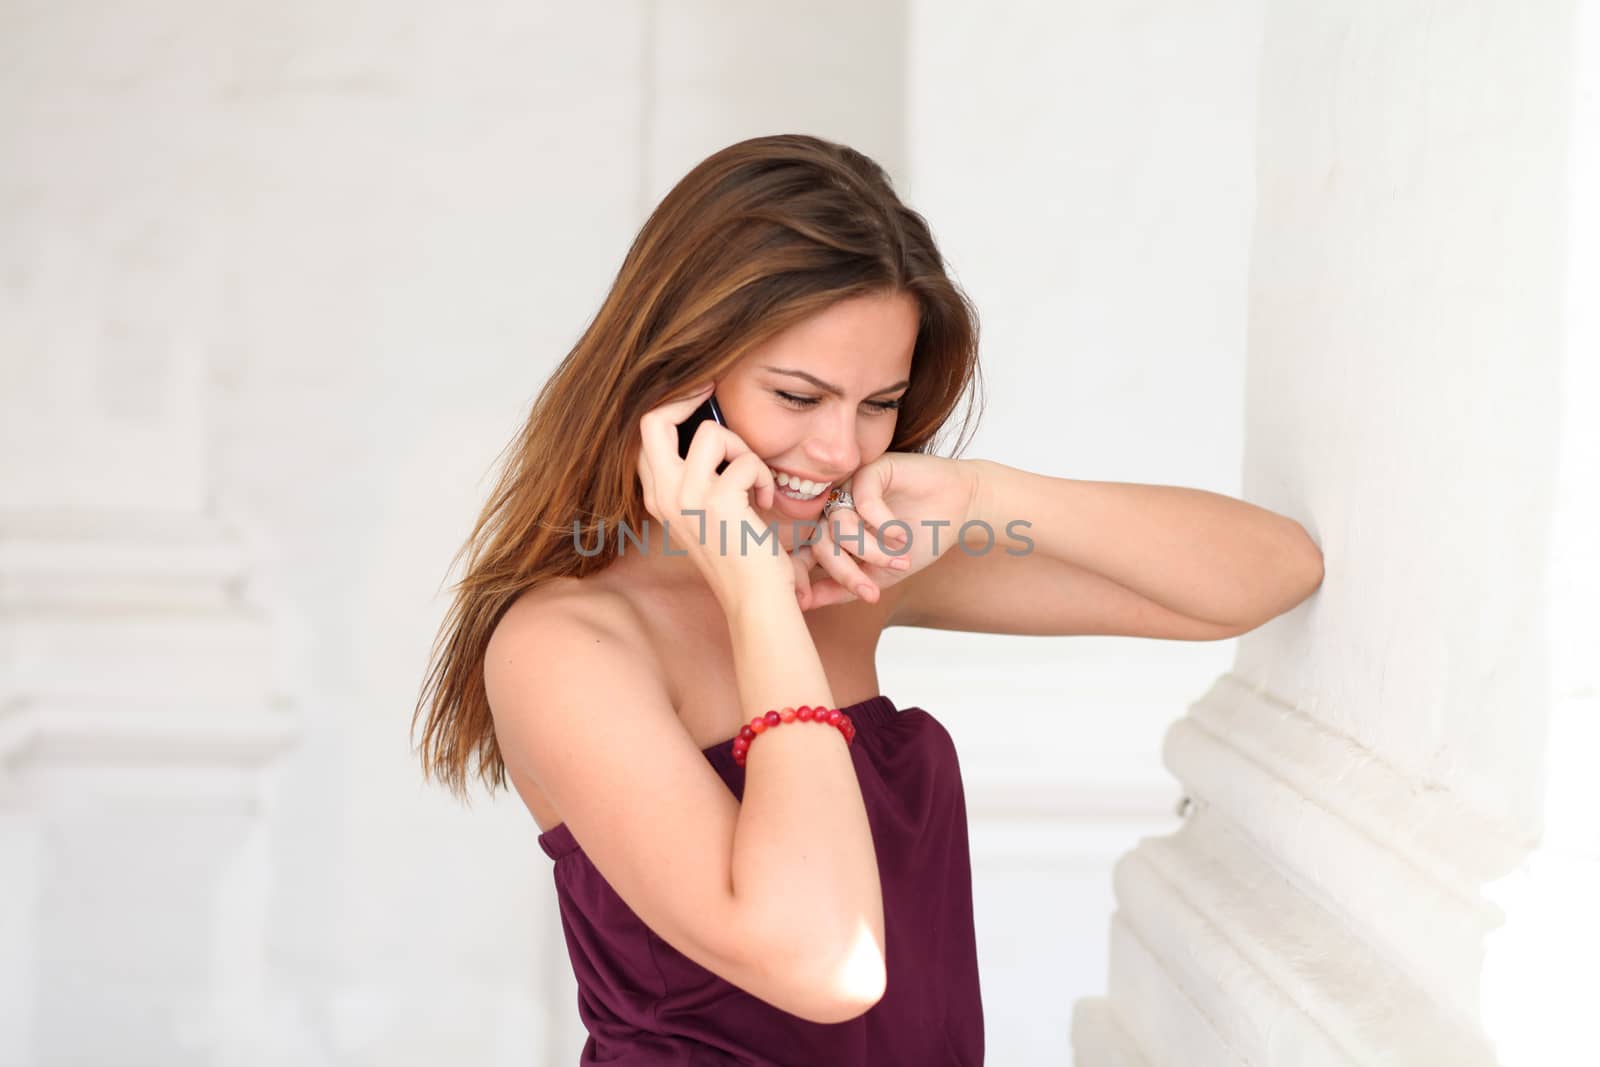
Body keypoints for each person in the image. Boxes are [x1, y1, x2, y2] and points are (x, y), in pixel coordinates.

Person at [411, 133, 1325, 1065]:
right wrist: (755, 592)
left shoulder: (846, 565)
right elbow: (822, 960)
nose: (843, 450)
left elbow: (1266, 574)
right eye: (799, 396)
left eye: (879, 402)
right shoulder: (567, 646)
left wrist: (989, 496)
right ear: (679, 379)